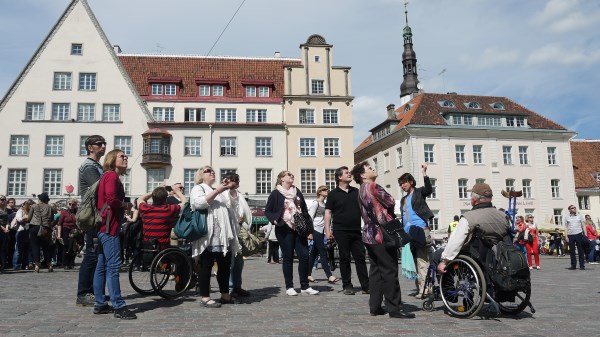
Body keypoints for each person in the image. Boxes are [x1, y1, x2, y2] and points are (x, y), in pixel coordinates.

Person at [352, 161, 415, 319]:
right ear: (362, 175)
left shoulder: (360, 190)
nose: (373, 169)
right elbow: (391, 201)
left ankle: (375, 306)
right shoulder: (373, 186)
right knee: (389, 269)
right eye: (369, 168)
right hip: (382, 234)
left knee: (375, 271)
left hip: (368, 234)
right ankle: (394, 307)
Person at [93, 149, 136, 319]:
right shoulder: (111, 176)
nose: (126, 158)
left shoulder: (108, 175)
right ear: (112, 159)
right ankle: (118, 306)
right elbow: (111, 199)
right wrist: (126, 205)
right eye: (122, 156)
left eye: (126, 156)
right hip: (110, 227)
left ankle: (100, 303)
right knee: (113, 267)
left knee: (102, 266)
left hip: (104, 226)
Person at [190, 166, 239, 308]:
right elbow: (198, 203)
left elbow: (233, 206)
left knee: (224, 267)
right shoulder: (198, 188)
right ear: (201, 175)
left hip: (223, 236)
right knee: (206, 266)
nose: (212, 172)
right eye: (207, 170)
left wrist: (231, 188)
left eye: (212, 170)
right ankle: (205, 297)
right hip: (208, 235)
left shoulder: (220, 191)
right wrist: (218, 190)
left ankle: (225, 295)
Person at [265, 170, 319, 296]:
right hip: (284, 228)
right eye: (289, 174)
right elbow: (268, 210)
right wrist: (274, 220)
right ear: (282, 179)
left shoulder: (297, 191)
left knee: (304, 256)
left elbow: (305, 211)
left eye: (292, 174)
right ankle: (289, 286)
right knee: (288, 257)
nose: (291, 176)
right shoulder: (276, 193)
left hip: (299, 228)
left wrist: (309, 230)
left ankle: (305, 286)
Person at [437, 183, 511, 274]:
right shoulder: (503, 216)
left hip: (476, 256)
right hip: (499, 256)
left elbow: (456, 241)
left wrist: (444, 261)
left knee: (437, 255)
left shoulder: (469, 217)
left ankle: (446, 286)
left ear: (474, 199)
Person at [324, 166, 369, 295]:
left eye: (349, 172)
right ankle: (347, 286)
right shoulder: (333, 194)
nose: (349, 174)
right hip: (340, 230)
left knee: (360, 258)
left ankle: (366, 286)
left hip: (356, 230)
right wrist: (328, 230)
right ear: (339, 177)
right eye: (346, 173)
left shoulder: (357, 191)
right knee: (344, 258)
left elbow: (364, 210)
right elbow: (328, 213)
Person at [76, 135, 106, 307]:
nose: (103, 146)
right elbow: (100, 188)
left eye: (104, 144)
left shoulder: (96, 165)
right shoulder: (88, 166)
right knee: (91, 255)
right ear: (90, 148)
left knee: (95, 254)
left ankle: (93, 291)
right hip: (92, 214)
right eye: (99, 144)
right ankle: (83, 293)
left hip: (98, 213)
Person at [398, 164, 433, 299]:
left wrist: (424, 173)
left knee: (422, 260)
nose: (402, 186)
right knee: (413, 261)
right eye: (401, 184)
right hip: (408, 233)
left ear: (411, 182)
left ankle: (425, 289)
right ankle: (420, 287)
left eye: (404, 183)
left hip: (420, 229)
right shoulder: (403, 200)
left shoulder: (418, 193)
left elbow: (429, 189)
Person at [222, 173, 252, 298]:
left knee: (239, 262)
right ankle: (229, 288)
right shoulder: (223, 194)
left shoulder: (239, 195)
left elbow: (246, 212)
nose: (235, 182)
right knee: (229, 262)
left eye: (236, 180)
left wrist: (242, 220)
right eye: (233, 180)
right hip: (227, 232)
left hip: (239, 230)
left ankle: (237, 287)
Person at [138, 185, 186, 250]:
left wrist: (156, 190)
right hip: (163, 249)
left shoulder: (145, 208)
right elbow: (185, 203)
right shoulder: (168, 210)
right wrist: (177, 192)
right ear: (166, 199)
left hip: (148, 248)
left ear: (153, 197)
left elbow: (140, 199)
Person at [307, 185, 339, 284]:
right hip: (315, 230)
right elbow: (310, 218)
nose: (327, 191)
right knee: (323, 251)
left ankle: (307, 275)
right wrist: (309, 232)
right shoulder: (315, 203)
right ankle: (329, 275)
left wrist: (329, 230)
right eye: (324, 190)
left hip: (321, 231)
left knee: (314, 253)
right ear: (319, 192)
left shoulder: (324, 204)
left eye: (327, 190)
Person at [27, 192, 56, 272]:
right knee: (46, 247)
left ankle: (37, 266)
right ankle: (49, 265)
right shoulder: (50, 208)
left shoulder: (34, 206)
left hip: (34, 227)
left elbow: (29, 218)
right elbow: (52, 220)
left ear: (40, 199)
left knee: (35, 246)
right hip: (45, 228)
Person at [57, 198, 78, 269]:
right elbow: (59, 224)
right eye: (70, 204)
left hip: (74, 230)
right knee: (66, 246)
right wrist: (59, 234)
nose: (71, 206)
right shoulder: (64, 212)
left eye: (73, 204)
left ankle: (71, 263)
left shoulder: (77, 212)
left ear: (75, 205)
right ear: (68, 204)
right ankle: (65, 263)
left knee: (73, 247)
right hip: (65, 230)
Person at [563, 205, 586, 270]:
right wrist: (566, 236)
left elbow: (583, 225)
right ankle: (573, 265)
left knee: (580, 250)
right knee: (572, 251)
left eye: (574, 208)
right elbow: (566, 227)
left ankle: (582, 265)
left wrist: (585, 235)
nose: (574, 209)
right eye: (572, 208)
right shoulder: (567, 217)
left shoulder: (579, 216)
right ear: (569, 210)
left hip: (579, 234)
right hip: (570, 235)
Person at [12, 200, 34, 270]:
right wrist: (25, 218)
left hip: (28, 231)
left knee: (27, 249)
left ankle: (25, 264)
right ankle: (16, 265)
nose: (31, 206)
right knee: (18, 249)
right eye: (30, 205)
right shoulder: (20, 210)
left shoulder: (32, 212)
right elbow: (19, 219)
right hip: (21, 231)